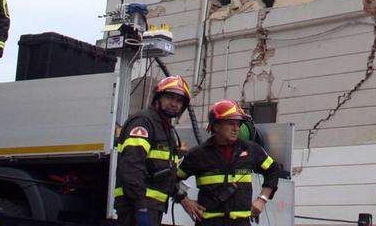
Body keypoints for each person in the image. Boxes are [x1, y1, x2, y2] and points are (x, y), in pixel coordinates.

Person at [179, 99, 283, 226]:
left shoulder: (251, 149)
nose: (236, 128)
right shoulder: (198, 154)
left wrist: (262, 199)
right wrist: (185, 201)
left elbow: (273, 170)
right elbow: (171, 177)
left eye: (238, 124)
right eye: (230, 124)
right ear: (216, 126)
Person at [115, 75, 194, 226]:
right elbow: (132, 167)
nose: (174, 104)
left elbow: (164, 172)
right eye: (170, 98)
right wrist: (140, 206)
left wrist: (181, 196)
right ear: (158, 98)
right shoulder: (143, 122)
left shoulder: (165, 129)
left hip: (152, 207)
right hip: (136, 206)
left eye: (179, 101)